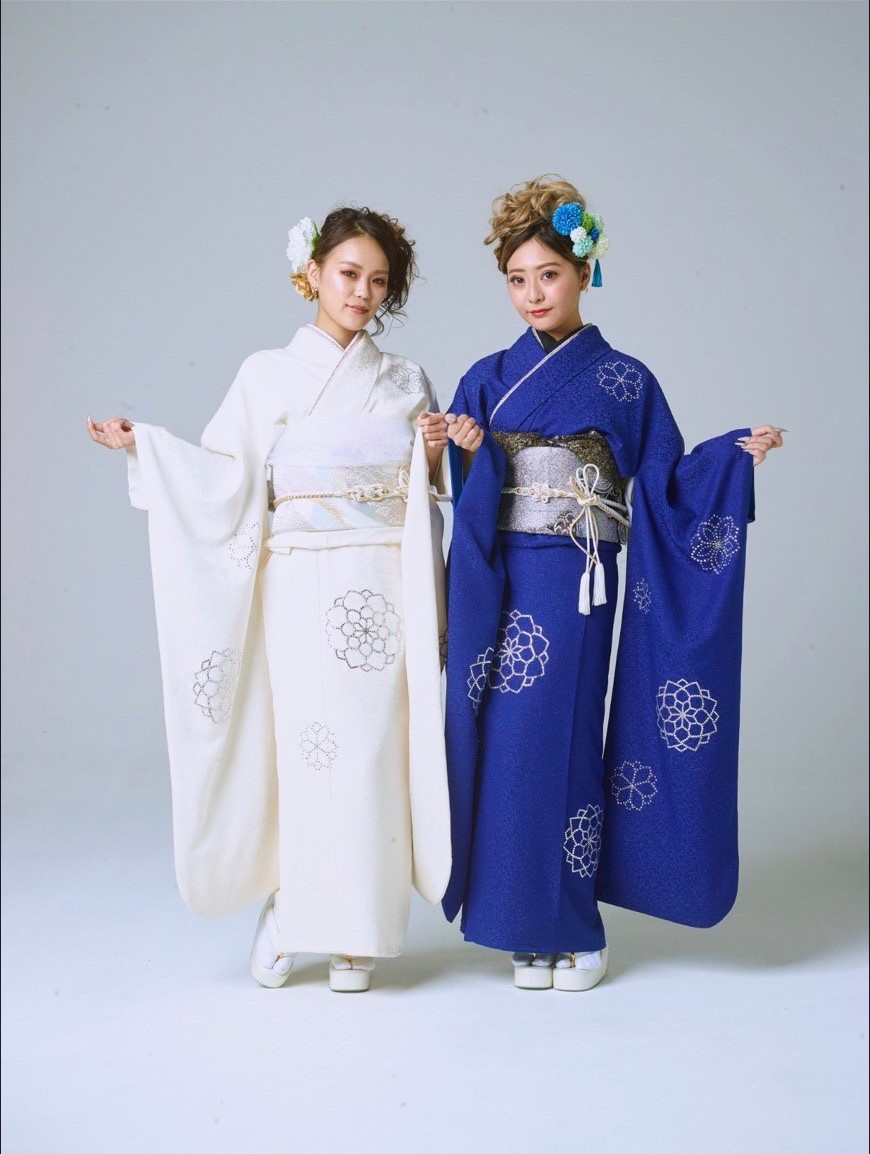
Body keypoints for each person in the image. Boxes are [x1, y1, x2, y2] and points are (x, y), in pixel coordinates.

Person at [88, 206, 452, 992]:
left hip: (379, 580)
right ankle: (293, 913)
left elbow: (425, 489)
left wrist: (429, 457)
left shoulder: (404, 379)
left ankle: (358, 935)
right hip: (300, 580)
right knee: (307, 749)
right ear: (312, 272)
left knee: (374, 750)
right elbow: (225, 477)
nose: (361, 292)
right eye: (348, 274)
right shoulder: (265, 374)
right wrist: (147, 445)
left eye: (378, 281)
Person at [441, 176, 784, 991]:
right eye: (517, 279)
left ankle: (577, 928)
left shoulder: (625, 379)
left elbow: (666, 484)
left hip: (578, 580)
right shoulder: (486, 377)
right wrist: (460, 448)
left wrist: (731, 457)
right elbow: (464, 487)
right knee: (508, 744)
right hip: (500, 579)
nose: (533, 294)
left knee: (563, 742)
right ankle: (522, 924)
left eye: (549, 275)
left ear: (584, 272)